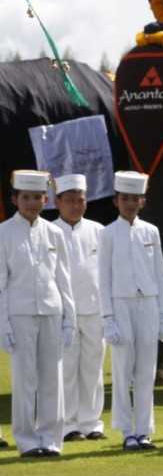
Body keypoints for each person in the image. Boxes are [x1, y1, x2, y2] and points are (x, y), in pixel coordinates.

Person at [0, 170, 75, 458]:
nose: (32, 203)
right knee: (24, 379)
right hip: (19, 314)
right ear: (15, 199)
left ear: (46, 199)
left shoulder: (55, 232)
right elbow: (2, 284)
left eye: (37, 197)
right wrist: (3, 324)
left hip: (51, 311)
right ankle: (27, 440)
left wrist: (70, 320)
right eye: (26, 197)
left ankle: (51, 439)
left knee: (51, 379)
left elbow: (63, 279)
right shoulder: (4, 233)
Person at [100, 171, 163, 451]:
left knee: (146, 371)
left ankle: (143, 430)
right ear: (116, 201)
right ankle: (126, 430)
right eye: (124, 198)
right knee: (123, 368)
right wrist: (108, 318)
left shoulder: (150, 231)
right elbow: (103, 277)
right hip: (121, 302)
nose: (129, 203)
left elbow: (160, 274)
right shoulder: (108, 234)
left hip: (148, 303)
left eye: (134, 198)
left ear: (142, 201)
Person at [53, 174, 107, 442]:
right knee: (67, 369)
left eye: (80, 200)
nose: (75, 205)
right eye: (70, 200)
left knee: (93, 368)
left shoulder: (99, 231)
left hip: (95, 310)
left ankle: (91, 422)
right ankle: (68, 424)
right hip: (63, 313)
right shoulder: (50, 231)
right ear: (57, 202)